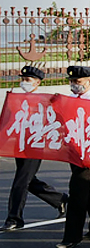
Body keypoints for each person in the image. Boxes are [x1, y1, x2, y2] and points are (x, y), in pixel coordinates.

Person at [1, 66, 67, 232]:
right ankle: (61, 200)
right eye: (23, 79)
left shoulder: (44, 100)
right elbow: (9, 122)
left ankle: (14, 218)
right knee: (28, 181)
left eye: (28, 80)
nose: (24, 83)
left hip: (35, 146)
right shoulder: (17, 99)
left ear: (38, 82)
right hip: (21, 146)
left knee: (20, 182)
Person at [57, 65, 90, 248]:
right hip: (75, 149)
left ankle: (71, 236)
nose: (74, 85)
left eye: (77, 82)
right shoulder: (73, 98)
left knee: (77, 190)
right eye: (71, 82)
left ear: (89, 81)